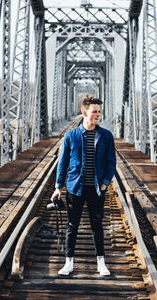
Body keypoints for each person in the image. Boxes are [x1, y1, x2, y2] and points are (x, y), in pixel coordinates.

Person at [51, 95, 116, 276]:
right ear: (85, 113)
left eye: (99, 111)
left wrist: (104, 184)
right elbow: (62, 163)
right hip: (75, 188)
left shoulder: (106, 136)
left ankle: (101, 264)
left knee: (97, 225)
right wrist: (58, 187)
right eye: (95, 112)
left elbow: (111, 162)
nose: (98, 115)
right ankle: (68, 263)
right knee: (72, 226)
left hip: (96, 189)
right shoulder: (71, 136)